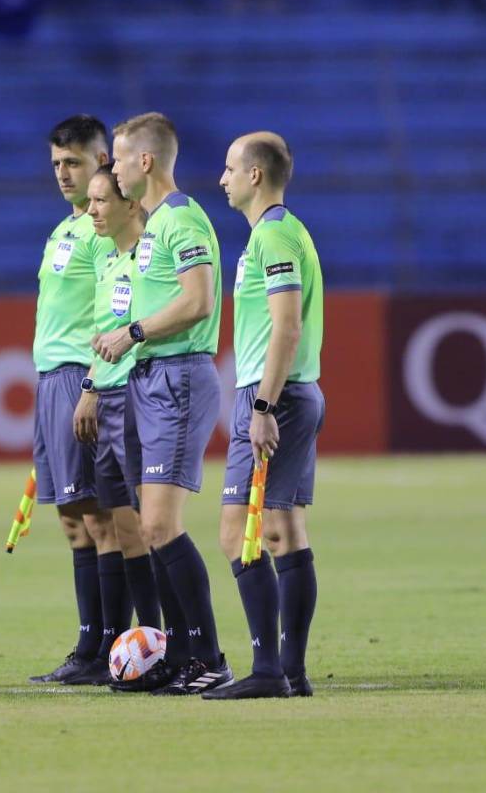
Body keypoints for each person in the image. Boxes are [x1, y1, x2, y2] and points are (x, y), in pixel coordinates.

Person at [94, 112, 231, 695]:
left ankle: (209, 656)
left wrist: (135, 331)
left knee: (159, 524)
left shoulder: (182, 219)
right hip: (149, 377)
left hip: (176, 376)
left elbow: (199, 301)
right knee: (150, 529)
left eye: (120, 158)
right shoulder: (153, 227)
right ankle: (180, 654)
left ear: (144, 162)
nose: (115, 168)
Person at [203, 132, 323, 700]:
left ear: (255, 175)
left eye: (229, 168)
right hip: (295, 392)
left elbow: (288, 325)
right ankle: (291, 670)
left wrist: (263, 407)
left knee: (237, 534)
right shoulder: (285, 231)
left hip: (275, 395)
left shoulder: (273, 236)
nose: (221, 178)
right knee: (283, 529)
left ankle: (269, 670)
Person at [28, 115, 123, 685]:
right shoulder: (64, 229)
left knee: (99, 516)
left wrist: (89, 384)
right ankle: (90, 644)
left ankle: (109, 644)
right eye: (57, 164)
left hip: (78, 378)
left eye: (74, 163)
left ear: (101, 161)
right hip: (48, 381)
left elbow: (109, 314)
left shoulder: (102, 228)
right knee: (72, 520)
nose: (64, 174)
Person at [66, 166, 164, 684]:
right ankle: (143, 642)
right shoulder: (106, 260)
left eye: (102, 201)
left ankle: (162, 637)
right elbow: (102, 335)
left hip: (136, 397)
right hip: (105, 396)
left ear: (130, 204)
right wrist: (89, 388)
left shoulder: (150, 257)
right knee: (123, 528)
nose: (93, 210)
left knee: (148, 526)